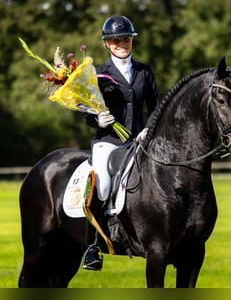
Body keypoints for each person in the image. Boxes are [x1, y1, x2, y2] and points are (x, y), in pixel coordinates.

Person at [81, 15, 159, 270]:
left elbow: (156, 108)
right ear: (106, 43)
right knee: (102, 183)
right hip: (108, 142)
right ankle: (94, 245)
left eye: (125, 39)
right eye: (115, 40)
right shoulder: (98, 74)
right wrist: (97, 120)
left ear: (132, 40)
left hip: (140, 140)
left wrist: (148, 130)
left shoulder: (145, 72)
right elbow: (86, 112)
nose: (121, 44)